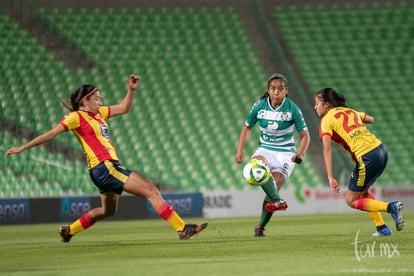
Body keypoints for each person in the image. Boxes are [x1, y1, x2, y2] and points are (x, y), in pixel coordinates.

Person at [6, 75, 207, 242]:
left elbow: (123, 108)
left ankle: (68, 231)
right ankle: (182, 228)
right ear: (84, 101)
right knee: (151, 191)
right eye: (96, 98)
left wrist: (132, 90)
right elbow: (51, 134)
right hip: (105, 166)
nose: (100, 101)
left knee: (106, 211)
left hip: (101, 170)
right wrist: (23, 147)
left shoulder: (99, 114)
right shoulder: (76, 116)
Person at [314, 87, 404, 236]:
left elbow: (327, 149)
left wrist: (330, 176)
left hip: (367, 156)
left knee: (350, 200)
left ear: (326, 105)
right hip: (381, 150)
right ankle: (382, 228)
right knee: (363, 194)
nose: (315, 107)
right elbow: (371, 119)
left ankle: (390, 207)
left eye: (317, 103)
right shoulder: (350, 111)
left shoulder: (326, 120)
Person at [235, 73, 310, 237]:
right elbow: (247, 127)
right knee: (257, 168)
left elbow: (305, 135)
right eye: (273, 89)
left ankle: (260, 226)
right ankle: (277, 200)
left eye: (280, 89)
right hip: (265, 149)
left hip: (285, 153)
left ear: (286, 91)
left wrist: (301, 154)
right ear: (268, 90)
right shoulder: (259, 106)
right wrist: (240, 150)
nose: (276, 92)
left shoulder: (292, 108)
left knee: (273, 187)